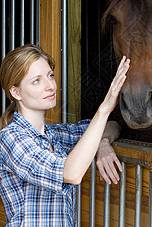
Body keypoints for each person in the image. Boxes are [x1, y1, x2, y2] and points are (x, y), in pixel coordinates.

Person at [0, 44, 130, 226]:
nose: (50, 86)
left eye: (50, 76)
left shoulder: (57, 134)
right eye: (36, 81)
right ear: (16, 92)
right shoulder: (11, 138)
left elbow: (112, 125)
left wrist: (104, 142)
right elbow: (70, 174)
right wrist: (104, 108)